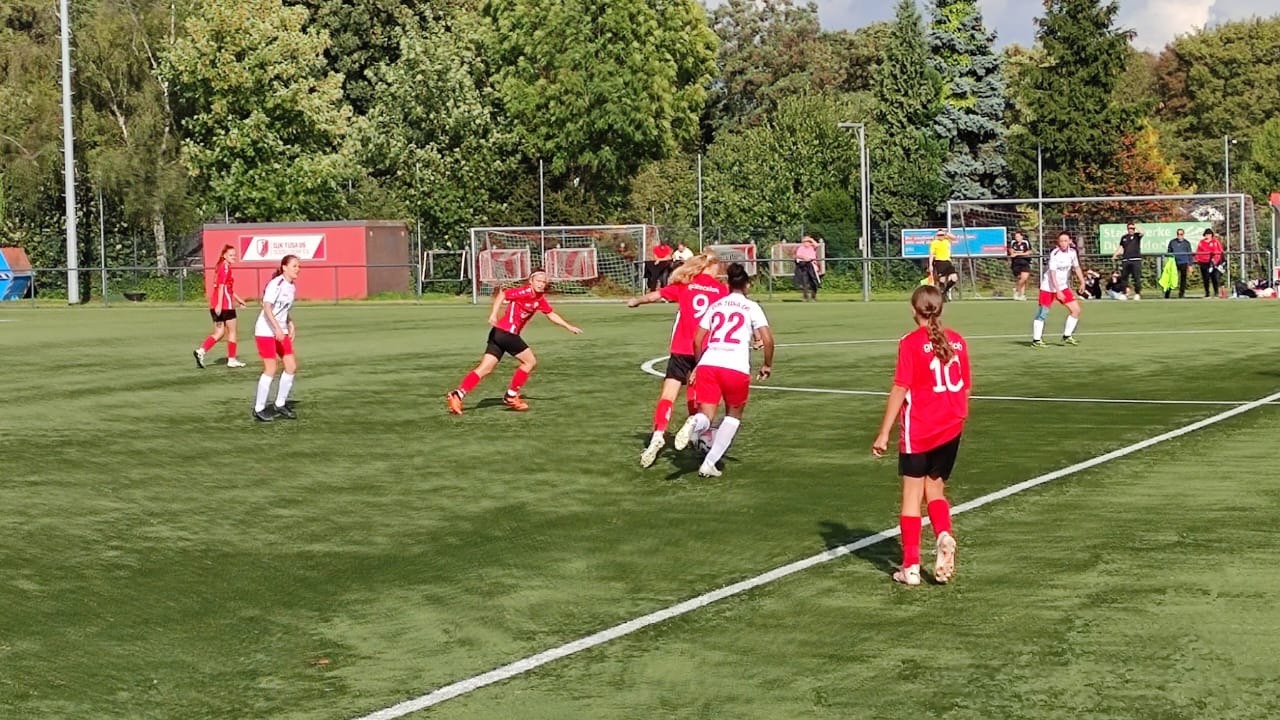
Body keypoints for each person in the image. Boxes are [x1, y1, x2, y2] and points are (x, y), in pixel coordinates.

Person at [871, 284, 969, 586]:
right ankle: (943, 534)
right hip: (951, 426)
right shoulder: (958, 341)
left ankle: (911, 566)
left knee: (911, 496)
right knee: (935, 490)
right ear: (940, 309)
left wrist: (883, 432)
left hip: (921, 428)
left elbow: (901, 388)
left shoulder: (910, 343)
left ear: (914, 310)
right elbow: (965, 387)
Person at [626, 251, 728, 467]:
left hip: (681, 348)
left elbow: (656, 296)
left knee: (668, 395)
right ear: (710, 268)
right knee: (699, 395)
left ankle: (658, 435)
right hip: (706, 351)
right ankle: (696, 435)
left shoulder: (686, 284)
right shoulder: (720, 290)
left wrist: (637, 300)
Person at [673, 262, 774, 478]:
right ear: (746, 285)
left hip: (709, 363)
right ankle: (709, 463)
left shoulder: (717, 305)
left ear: (728, 284)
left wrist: (699, 364)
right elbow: (767, 338)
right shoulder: (751, 307)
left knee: (707, 415)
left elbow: (698, 339)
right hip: (734, 366)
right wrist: (767, 364)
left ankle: (695, 423)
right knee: (733, 416)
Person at [447, 270, 582, 414]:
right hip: (506, 333)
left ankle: (458, 394)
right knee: (530, 362)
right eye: (538, 281)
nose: (541, 284)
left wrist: (568, 326)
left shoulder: (540, 298)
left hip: (499, 333)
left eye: (544, 282)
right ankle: (511, 396)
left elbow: (550, 314)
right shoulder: (524, 292)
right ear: (531, 281)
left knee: (485, 368)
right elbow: (503, 294)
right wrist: (493, 314)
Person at [252, 255, 301, 422]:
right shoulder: (276, 284)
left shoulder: (291, 286)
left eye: (298, 266)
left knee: (291, 366)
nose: (297, 269)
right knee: (271, 368)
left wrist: (290, 323)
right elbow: (266, 307)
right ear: (284, 267)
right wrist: (277, 328)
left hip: (281, 331)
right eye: (294, 266)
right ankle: (259, 408)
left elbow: (284, 310)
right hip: (266, 331)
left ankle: (279, 404)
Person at [194, 244, 249, 369]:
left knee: (219, 333)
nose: (233, 257)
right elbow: (222, 287)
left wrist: (239, 300)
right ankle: (232, 359)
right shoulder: (225, 267)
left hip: (216, 304)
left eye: (234, 255)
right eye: (231, 255)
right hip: (225, 305)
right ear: (224, 255)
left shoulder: (220, 267)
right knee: (233, 331)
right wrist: (220, 304)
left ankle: (201, 352)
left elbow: (228, 288)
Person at [1032, 231, 1087, 347]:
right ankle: (1036, 340)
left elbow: (1076, 267)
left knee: (1076, 310)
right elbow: (1052, 274)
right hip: (1048, 287)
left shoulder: (1072, 253)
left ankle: (1067, 336)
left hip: (1062, 286)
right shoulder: (1055, 254)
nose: (1063, 243)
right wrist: (1057, 291)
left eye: (1065, 241)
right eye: (1061, 241)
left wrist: (1082, 281)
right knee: (1043, 313)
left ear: (1070, 241)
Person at [1110, 222, 1144, 300]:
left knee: (1136, 278)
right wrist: (1115, 254)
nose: (1131, 230)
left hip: (1136, 260)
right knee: (1124, 278)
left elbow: (1142, 232)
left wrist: (1136, 226)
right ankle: (1124, 293)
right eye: (1129, 228)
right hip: (1126, 260)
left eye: (1132, 228)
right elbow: (1121, 247)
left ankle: (1137, 293)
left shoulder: (1137, 236)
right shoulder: (1124, 237)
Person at [928, 229, 958, 301]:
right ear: (937, 236)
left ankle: (945, 291)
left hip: (947, 261)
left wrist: (945, 232)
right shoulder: (934, 243)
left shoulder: (947, 240)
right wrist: (930, 265)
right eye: (939, 235)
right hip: (939, 262)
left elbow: (954, 238)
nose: (941, 236)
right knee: (942, 280)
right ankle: (942, 295)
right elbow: (931, 254)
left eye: (942, 235)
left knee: (954, 278)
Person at [1195, 228, 1225, 298]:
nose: (1208, 236)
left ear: (1211, 235)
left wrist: (1216, 260)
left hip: (1213, 262)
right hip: (1203, 262)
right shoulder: (1201, 242)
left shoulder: (1215, 241)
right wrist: (1197, 259)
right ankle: (1207, 293)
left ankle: (1216, 292)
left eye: (1209, 234)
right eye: (1206, 234)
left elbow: (1219, 251)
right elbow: (1198, 251)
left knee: (1214, 277)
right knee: (1205, 278)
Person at [1165, 228, 1193, 299]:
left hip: (1183, 262)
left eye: (1181, 234)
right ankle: (1167, 294)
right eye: (1178, 234)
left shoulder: (1187, 243)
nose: (1179, 236)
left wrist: (1190, 265)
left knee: (1183, 279)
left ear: (1183, 235)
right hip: (1174, 262)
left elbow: (1190, 254)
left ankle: (1181, 294)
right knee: (1170, 278)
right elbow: (1169, 251)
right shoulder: (1172, 242)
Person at [1007, 230, 1033, 301]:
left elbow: (1029, 252)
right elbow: (1011, 250)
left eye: (1018, 236)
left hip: (1025, 262)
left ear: (1022, 236)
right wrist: (1012, 253)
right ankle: (1021, 294)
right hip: (1016, 263)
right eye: (1016, 237)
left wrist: (1018, 254)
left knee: (1024, 278)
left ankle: (1017, 290)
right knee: (1020, 279)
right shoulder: (1013, 242)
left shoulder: (1026, 242)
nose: (1017, 238)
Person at [794, 235, 821, 302]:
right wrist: (804, 257)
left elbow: (817, 245)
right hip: (804, 266)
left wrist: (811, 239)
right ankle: (805, 297)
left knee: (814, 282)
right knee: (805, 282)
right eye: (805, 242)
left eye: (808, 242)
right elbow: (798, 255)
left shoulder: (812, 247)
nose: (806, 243)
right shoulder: (801, 248)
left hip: (812, 265)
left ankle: (813, 297)